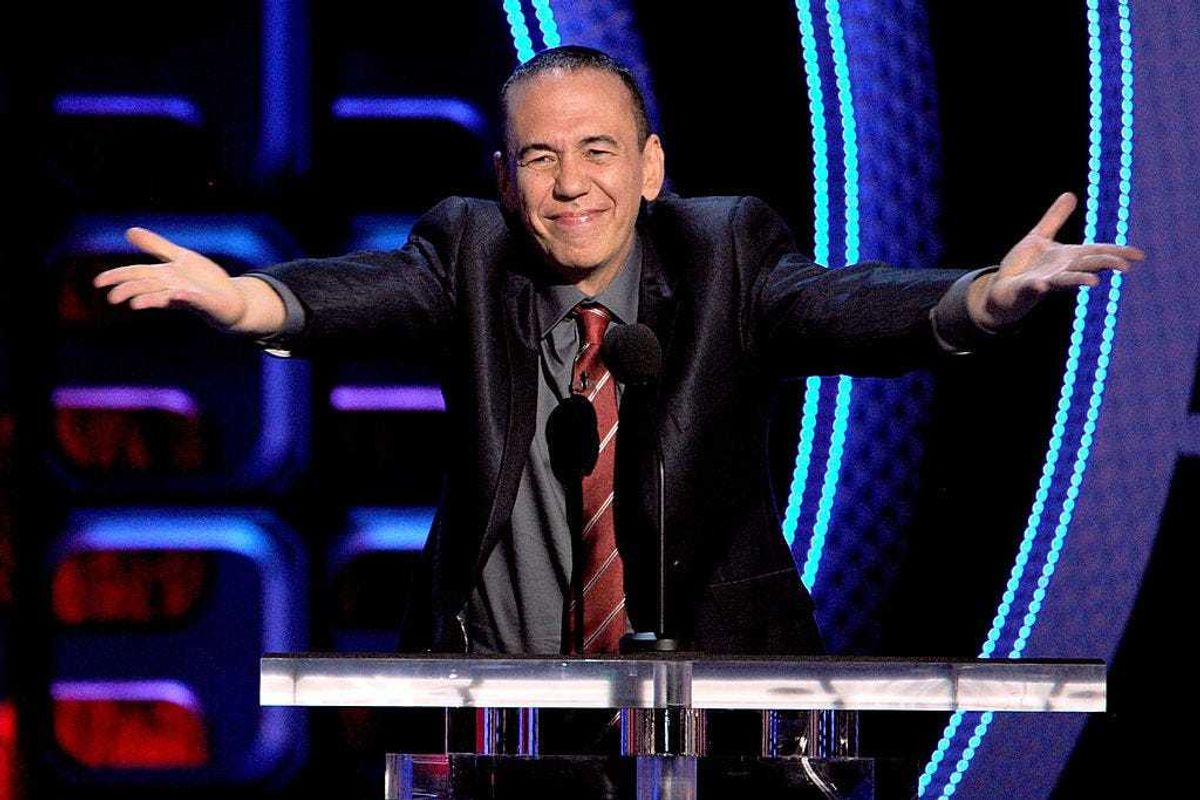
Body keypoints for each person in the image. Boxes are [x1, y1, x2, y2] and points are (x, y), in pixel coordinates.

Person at [93, 46, 1142, 657]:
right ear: (506, 180)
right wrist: (250, 300)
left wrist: (977, 301)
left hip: (714, 707)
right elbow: (364, 290)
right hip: (497, 713)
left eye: (598, 151)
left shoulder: (724, 248)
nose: (570, 183)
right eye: (541, 157)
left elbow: (836, 305)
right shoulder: (469, 251)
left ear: (649, 168)